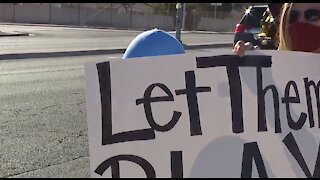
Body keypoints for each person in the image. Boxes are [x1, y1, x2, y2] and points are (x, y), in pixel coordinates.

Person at [234, 3, 320, 57]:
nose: (300, 22)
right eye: (292, 17)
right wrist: (250, 61)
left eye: (313, 15)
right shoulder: (278, 67)